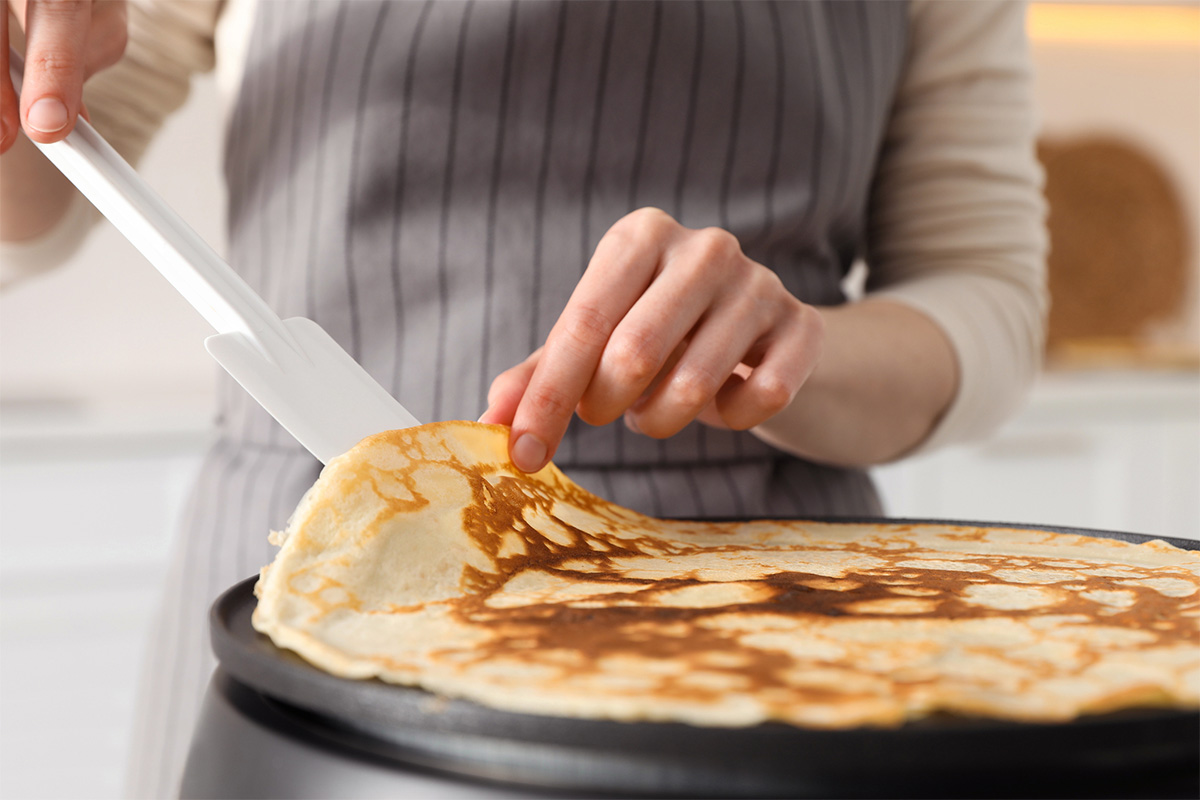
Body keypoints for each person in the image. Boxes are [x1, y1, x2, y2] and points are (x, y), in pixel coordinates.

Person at [1, 0, 1047, 795]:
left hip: (767, 614)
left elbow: (988, 295)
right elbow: (33, 208)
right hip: (309, 569)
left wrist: (789, 355)